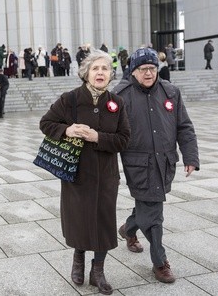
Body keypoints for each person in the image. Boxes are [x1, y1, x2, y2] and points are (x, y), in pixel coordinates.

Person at [39, 50, 131, 295]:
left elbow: (124, 139)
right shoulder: (69, 99)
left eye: (105, 69)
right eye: (95, 68)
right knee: (79, 220)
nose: (100, 72)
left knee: (103, 222)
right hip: (77, 175)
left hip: (106, 176)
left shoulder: (117, 103)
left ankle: (97, 271)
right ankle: (78, 260)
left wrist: (97, 137)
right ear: (86, 73)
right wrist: (67, 130)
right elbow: (46, 123)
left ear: (111, 74)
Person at [112, 47, 200, 284]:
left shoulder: (170, 91)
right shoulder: (121, 94)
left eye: (152, 68)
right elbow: (110, 132)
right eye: (143, 69)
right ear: (133, 71)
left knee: (147, 205)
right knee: (154, 214)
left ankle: (129, 229)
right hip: (137, 164)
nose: (149, 73)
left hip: (165, 161)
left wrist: (190, 156)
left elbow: (184, 126)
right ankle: (160, 263)